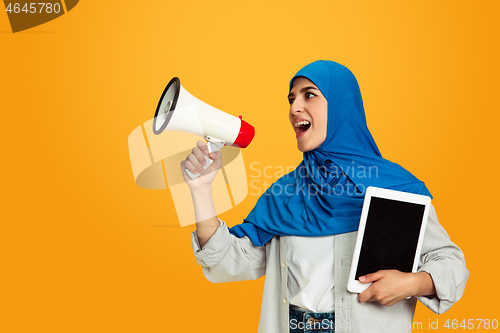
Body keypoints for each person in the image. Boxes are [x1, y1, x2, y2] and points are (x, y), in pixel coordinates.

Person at [181, 60, 469, 333]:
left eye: (309, 95)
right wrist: (201, 189)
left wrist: (413, 283)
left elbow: (452, 265)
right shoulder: (286, 194)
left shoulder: (394, 188)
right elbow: (228, 262)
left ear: (342, 106)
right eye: (291, 99)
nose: (295, 107)